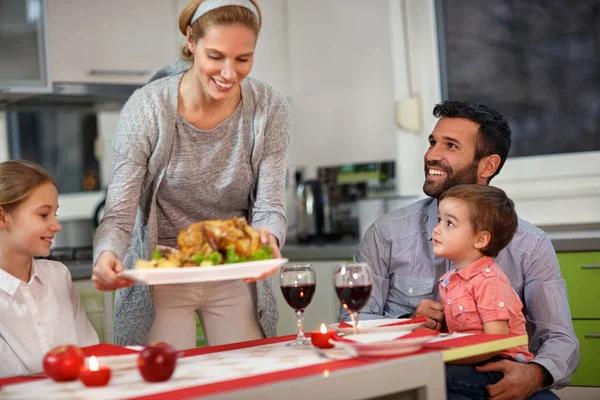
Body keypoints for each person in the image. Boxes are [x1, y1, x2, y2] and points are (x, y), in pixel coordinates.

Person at [341, 101, 579, 400]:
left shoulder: (531, 245)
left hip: (500, 375)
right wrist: (406, 323)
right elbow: (349, 323)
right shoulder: (387, 232)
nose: (432, 155)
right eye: (432, 142)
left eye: (451, 146)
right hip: (415, 379)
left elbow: (559, 338)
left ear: (487, 166)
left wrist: (534, 374)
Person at [91, 0, 291, 349]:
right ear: (191, 41)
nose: (229, 73)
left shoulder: (268, 107)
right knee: (163, 382)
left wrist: (268, 240)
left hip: (231, 268)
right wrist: (107, 253)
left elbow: (270, 205)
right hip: (161, 269)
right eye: (216, 56)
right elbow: (119, 214)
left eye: (243, 59)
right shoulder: (147, 108)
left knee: (247, 375)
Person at [433, 184, 534, 399]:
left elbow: (495, 341)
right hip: (475, 359)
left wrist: (444, 356)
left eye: (449, 223)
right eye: (439, 220)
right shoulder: (452, 280)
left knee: (432, 374)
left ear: (480, 239)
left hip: (499, 365)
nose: (437, 229)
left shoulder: (489, 282)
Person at [0, 160, 99, 378]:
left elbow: (89, 352)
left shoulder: (58, 276)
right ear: (2, 217)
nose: (56, 226)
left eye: (56, 214)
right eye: (44, 214)